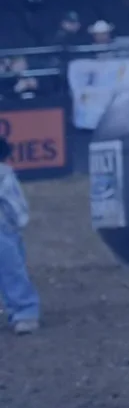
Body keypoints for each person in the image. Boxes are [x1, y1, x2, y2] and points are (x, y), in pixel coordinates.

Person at [0, 137, 40, 334]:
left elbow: (15, 204)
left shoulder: (3, 176)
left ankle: (25, 311)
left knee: (11, 269)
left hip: (2, 230)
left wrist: (16, 224)